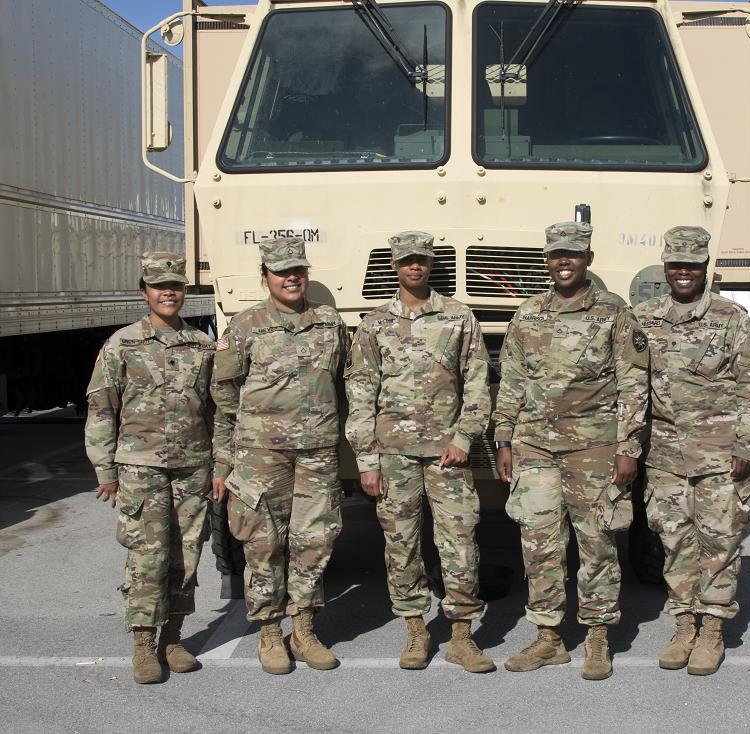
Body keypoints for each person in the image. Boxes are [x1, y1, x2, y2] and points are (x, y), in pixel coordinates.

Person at [492, 221, 649, 680]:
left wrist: (628, 448)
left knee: (597, 543)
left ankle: (598, 637)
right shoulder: (528, 314)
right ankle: (548, 638)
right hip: (535, 447)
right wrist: (503, 438)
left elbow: (634, 383)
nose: (564, 262)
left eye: (573, 255)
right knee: (539, 545)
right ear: (547, 259)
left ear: (588, 260)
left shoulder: (613, 312)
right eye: (557, 254)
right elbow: (513, 381)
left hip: (594, 448)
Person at [345, 231, 495, 673]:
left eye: (422, 261)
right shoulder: (374, 324)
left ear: (431, 265)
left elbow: (476, 381)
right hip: (394, 456)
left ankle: (462, 637)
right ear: (395, 265)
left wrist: (465, 437)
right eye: (407, 261)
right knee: (401, 545)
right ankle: (415, 630)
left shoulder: (458, 316)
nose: (415, 267)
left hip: (448, 453)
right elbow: (360, 392)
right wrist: (367, 461)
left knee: (460, 543)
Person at [633, 226, 750, 676]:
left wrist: (747, 445)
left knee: (720, 542)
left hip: (719, 454)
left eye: (692, 266)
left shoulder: (733, 318)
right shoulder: (645, 318)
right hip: (665, 456)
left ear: (705, 267)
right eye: (676, 265)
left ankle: (712, 630)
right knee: (674, 542)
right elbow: (631, 385)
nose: (684, 273)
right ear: (666, 267)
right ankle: (683, 626)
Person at [210, 236, 348, 675]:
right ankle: (270, 632)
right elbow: (224, 389)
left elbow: (345, 381)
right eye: (282, 271)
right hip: (261, 454)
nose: (292, 277)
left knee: (314, 541)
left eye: (299, 270)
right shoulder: (245, 324)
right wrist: (238, 442)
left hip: (317, 452)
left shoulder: (329, 322)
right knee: (263, 542)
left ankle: (304, 631)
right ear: (265, 276)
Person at [85, 252, 219, 684]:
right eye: (159, 286)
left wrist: (221, 462)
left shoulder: (202, 345)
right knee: (147, 557)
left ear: (185, 291)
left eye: (176, 285)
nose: (168, 292)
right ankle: (143, 644)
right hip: (140, 468)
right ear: (144, 292)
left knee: (188, 554)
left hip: (192, 466)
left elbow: (219, 411)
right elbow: (101, 408)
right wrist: (104, 469)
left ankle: (173, 639)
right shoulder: (122, 344)